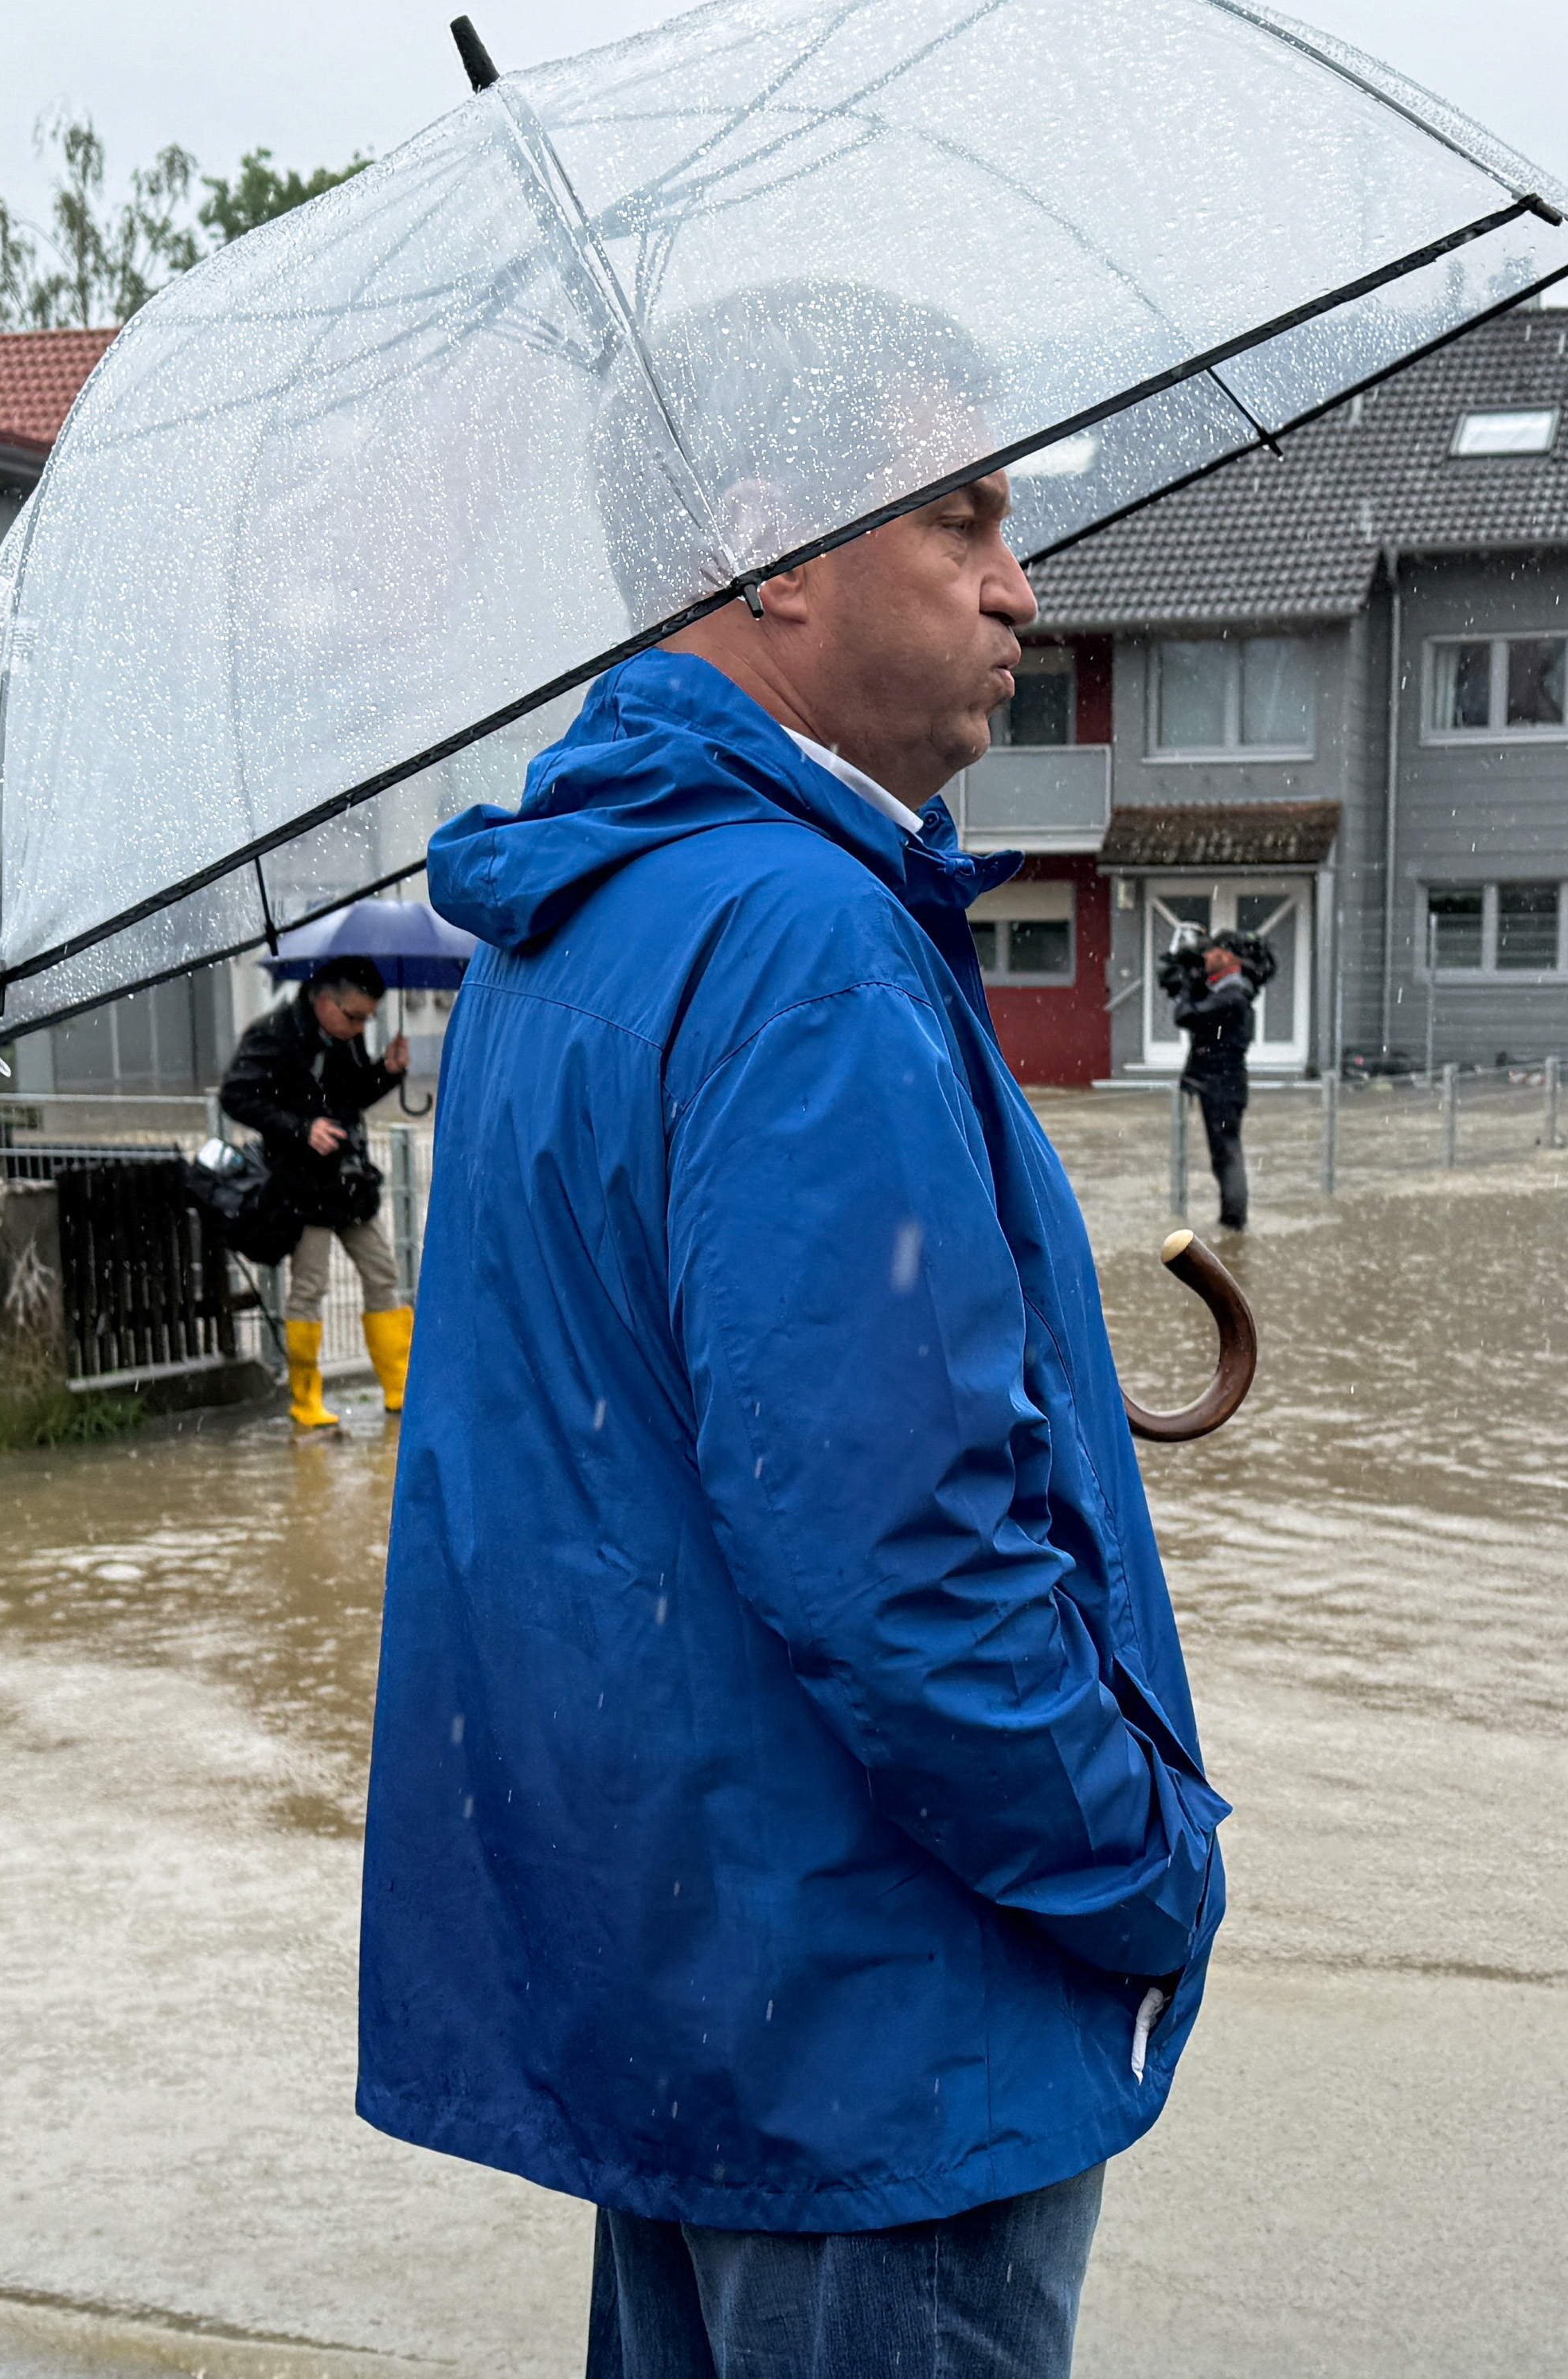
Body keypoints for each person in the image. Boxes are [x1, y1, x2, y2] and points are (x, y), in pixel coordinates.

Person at [362, 288, 1223, 2379]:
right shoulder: (805, 939)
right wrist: (1148, 1869)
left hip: (687, 1988)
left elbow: (620, 1474)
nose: (1022, 587)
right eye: (959, 516)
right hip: (874, 2041)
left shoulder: (571, 925)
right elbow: (900, 1568)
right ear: (773, 551)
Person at [218, 952, 411, 1431]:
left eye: (368, 1018)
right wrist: (300, 1129)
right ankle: (307, 1399)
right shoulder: (274, 1034)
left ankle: (400, 1389)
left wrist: (388, 1071)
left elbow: (351, 1097)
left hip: (348, 1182)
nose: (361, 1027)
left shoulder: (343, 1037)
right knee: (310, 1286)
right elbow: (235, 1096)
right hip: (301, 1186)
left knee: (381, 1272)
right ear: (323, 1000)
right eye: (354, 1016)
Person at [1171, 939, 1254, 1233]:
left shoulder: (1232, 996)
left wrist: (1185, 986)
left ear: (1228, 956)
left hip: (1222, 1085)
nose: (1206, 956)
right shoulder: (1225, 991)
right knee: (1224, 1154)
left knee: (1227, 1154)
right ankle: (1232, 1219)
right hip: (1218, 1082)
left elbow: (1185, 1016)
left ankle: (1233, 1224)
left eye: (1212, 952)